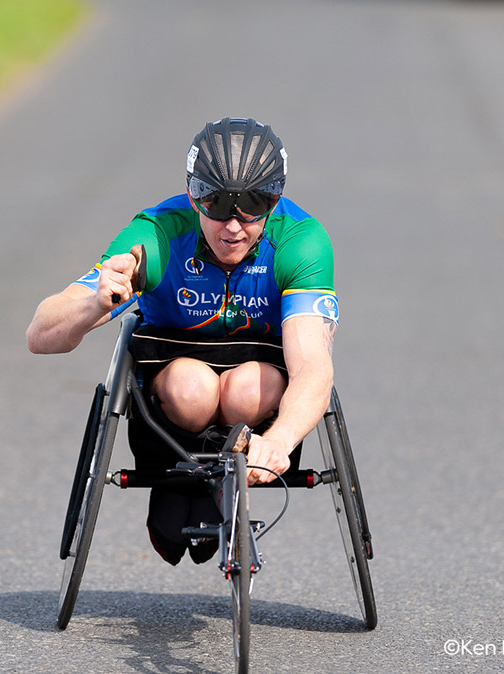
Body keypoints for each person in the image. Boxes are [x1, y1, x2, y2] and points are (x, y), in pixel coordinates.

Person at [27, 117, 338, 565]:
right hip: (172, 395)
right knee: (192, 388)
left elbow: (312, 364)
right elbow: (40, 336)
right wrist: (94, 304)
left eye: (253, 204)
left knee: (252, 387)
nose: (234, 225)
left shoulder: (301, 241)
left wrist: (283, 439)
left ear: (276, 199)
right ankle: (180, 485)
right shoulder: (156, 234)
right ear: (193, 196)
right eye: (216, 203)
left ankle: (220, 484)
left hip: (258, 393)